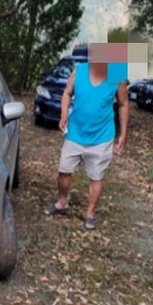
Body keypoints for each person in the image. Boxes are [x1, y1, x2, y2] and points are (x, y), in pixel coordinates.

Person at [43, 43, 129, 229]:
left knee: (96, 177)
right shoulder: (79, 71)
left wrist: (123, 134)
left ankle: (89, 213)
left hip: (102, 137)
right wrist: (64, 115)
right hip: (75, 133)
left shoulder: (117, 78)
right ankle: (63, 201)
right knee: (64, 171)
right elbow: (67, 93)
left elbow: (123, 104)